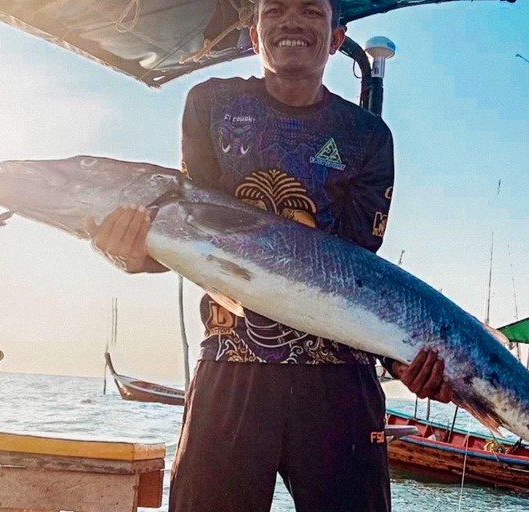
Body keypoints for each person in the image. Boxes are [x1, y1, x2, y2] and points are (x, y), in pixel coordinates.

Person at [91, 0, 452, 509]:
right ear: (255, 35)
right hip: (231, 363)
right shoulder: (210, 105)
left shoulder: (368, 135)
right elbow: (192, 233)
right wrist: (129, 252)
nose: (291, 22)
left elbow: (358, 271)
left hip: (339, 377)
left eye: (310, 11)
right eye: (275, 9)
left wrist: (406, 360)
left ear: (334, 37)